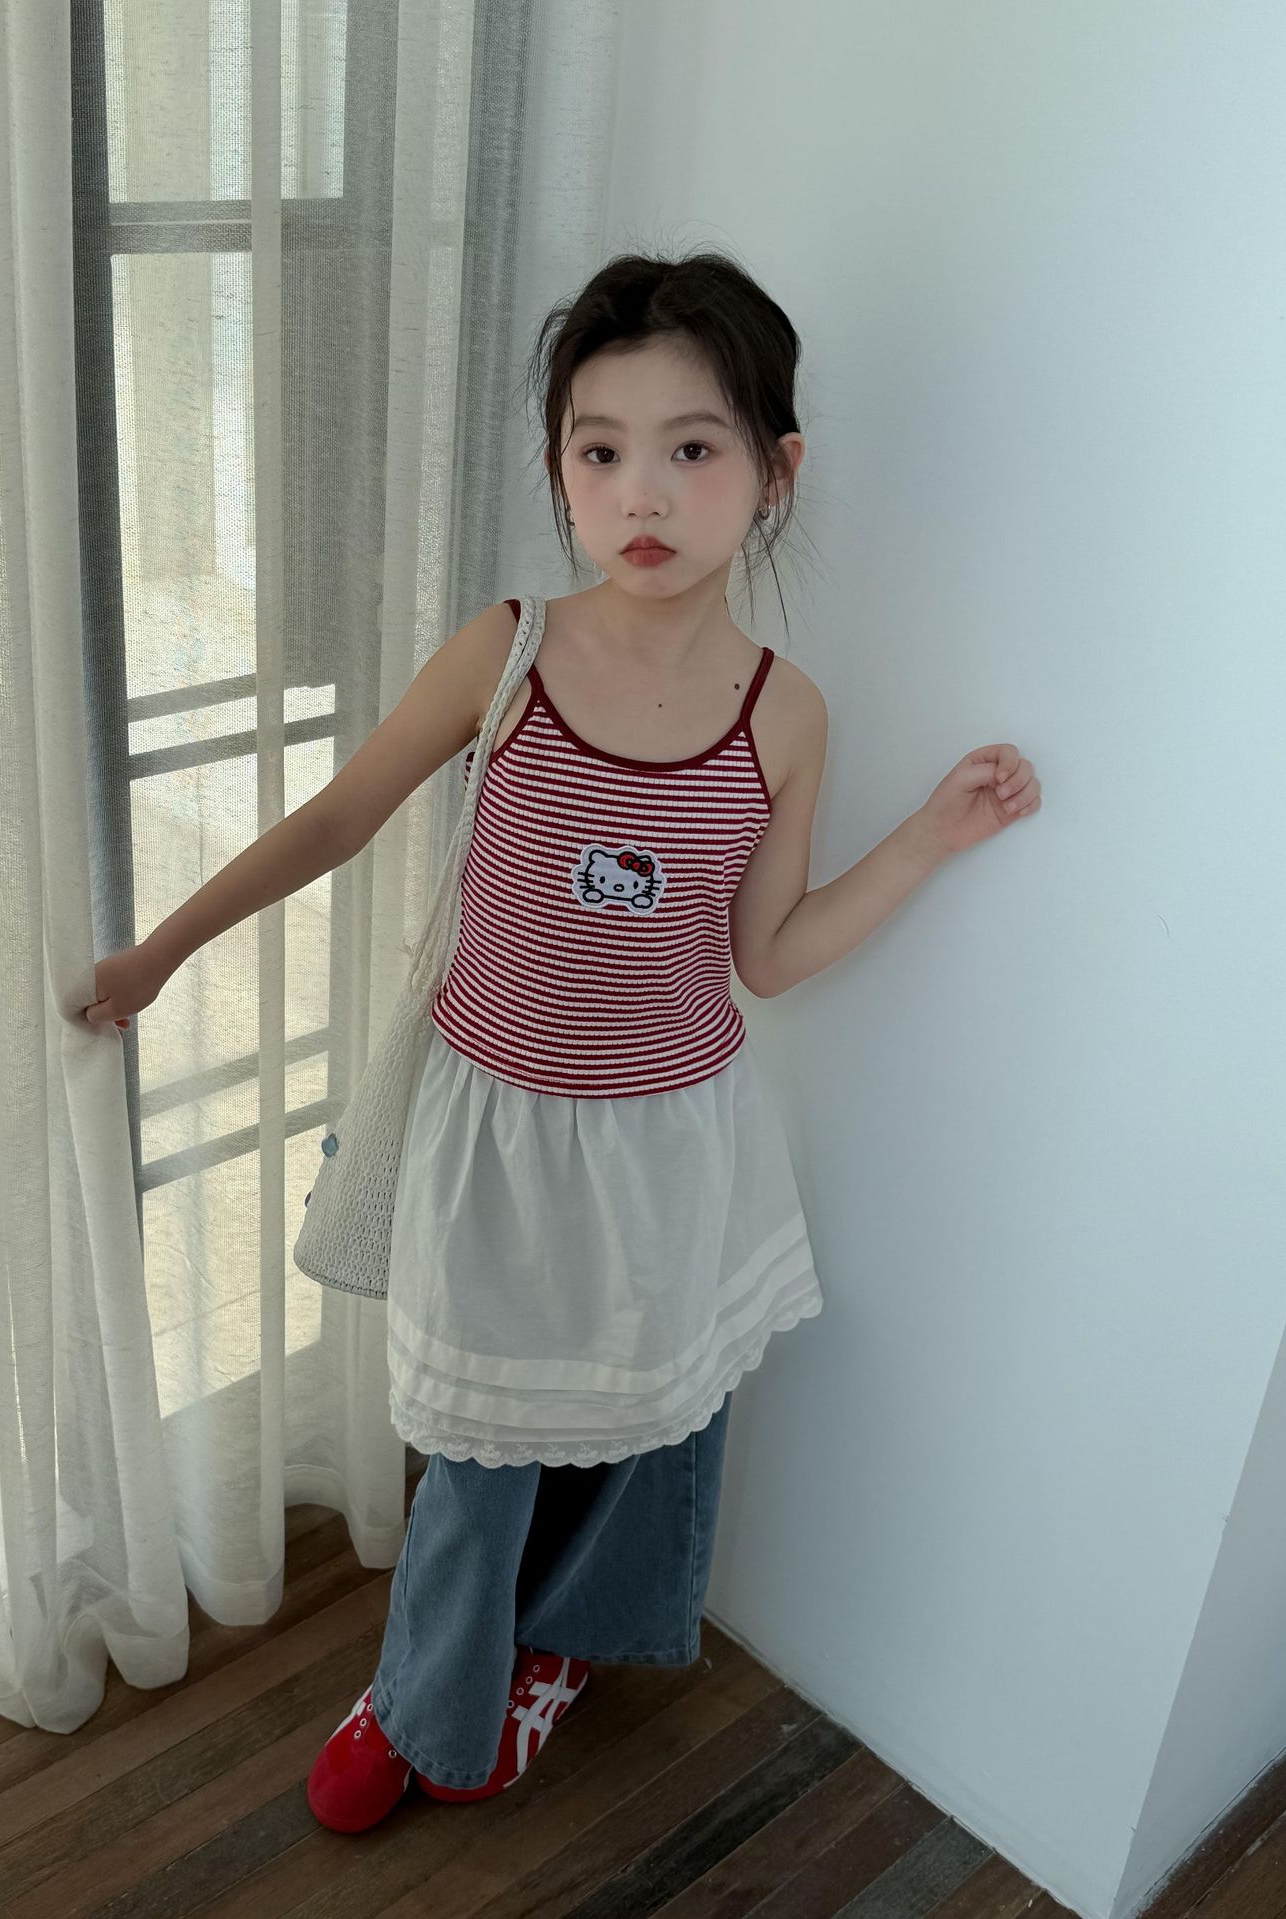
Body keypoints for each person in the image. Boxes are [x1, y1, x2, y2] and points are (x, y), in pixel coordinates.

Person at [83, 248, 1041, 1833]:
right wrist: (162, 951)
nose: (641, 492)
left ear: (776, 471)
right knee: (483, 1453)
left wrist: (929, 839)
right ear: (560, 470)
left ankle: (559, 1649)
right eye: (600, 451)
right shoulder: (509, 651)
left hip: (669, 1138)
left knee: (656, 1423)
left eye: (692, 447)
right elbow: (337, 818)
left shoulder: (784, 714)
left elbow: (768, 956)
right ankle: (425, 1697)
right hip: (496, 1130)